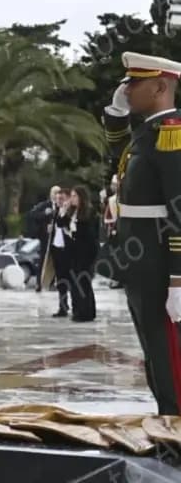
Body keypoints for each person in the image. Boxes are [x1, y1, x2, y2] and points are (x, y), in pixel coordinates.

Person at [100, 52, 181, 414]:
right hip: (140, 261)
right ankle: (167, 414)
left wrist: (179, 280)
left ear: (161, 86)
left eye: (135, 83)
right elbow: (118, 150)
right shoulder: (147, 132)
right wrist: (115, 113)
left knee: (168, 351)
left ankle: (176, 418)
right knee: (153, 348)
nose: (127, 90)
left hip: (161, 263)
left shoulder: (172, 134)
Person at [39, 187, 73, 317]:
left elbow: (65, 225)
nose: (59, 201)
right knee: (60, 280)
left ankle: (71, 305)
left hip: (67, 251)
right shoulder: (56, 212)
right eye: (57, 198)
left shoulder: (69, 212)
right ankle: (62, 306)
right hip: (56, 249)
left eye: (61, 198)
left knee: (69, 279)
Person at [67, 186, 98, 323]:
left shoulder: (89, 213)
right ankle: (78, 310)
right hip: (74, 252)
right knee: (75, 283)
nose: (72, 199)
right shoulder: (73, 212)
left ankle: (86, 312)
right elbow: (63, 224)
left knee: (84, 283)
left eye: (74, 196)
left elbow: (90, 235)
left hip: (85, 253)